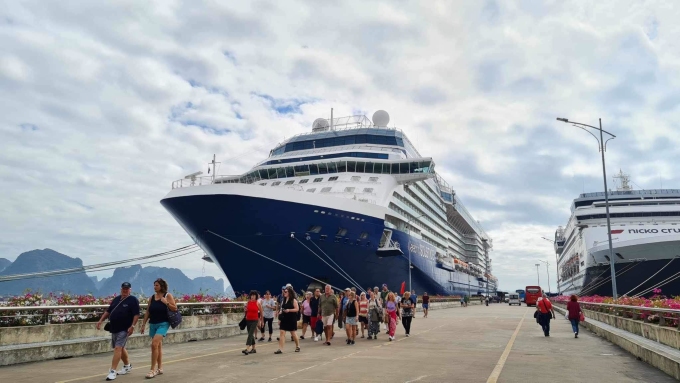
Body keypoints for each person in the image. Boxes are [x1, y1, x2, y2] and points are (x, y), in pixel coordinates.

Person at [96, 282, 140, 381]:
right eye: (123, 289)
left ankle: (112, 371)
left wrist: (132, 326)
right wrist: (100, 320)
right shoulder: (116, 299)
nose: (125, 290)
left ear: (130, 290)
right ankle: (127, 366)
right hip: (114, 328)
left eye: (127, 289)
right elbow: (108, 311)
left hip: (124, 328)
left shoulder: (133, 300)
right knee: (120, 347)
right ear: (121, 289)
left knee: (117, 348)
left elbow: (136, 314)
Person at [140, 278, 177, 379]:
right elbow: (148, 311)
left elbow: (175, 308)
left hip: (163, 323)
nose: (154, 287)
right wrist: (143, 324)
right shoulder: (152, 297)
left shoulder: (167, 295)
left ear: (161, 286)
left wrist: (166, 303)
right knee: (158, 346)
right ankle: (160, 368)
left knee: (154, 344)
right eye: (154, 285)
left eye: (156, 285)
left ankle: (152, 370)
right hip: (153, 324)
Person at [275, 286, 300, 354]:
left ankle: (297, 346)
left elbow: (297, 309)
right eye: (284, 291)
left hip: (291, 318)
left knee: (293, 333)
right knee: (282, 332)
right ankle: (280, 349)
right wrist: (279, 318)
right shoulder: (283, 300)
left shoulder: (293, 300)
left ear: (289, 292)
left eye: (286, 291)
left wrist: (289, 310)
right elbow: (281, 309)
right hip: (284, 318)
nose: (284, 292)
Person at [243, 290, 263, 355]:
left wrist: (262, 321)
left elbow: (261, 312)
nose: (252, 297)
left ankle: (247, 348)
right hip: (248, 319)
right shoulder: (248, 303)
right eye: (251, 295)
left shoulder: (258, 303)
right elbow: (246, 311)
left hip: (255, 320)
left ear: (256, 296)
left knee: (250, 333)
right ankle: (254, 349)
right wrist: (245, 310)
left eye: (254, 295)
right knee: (250, 334)